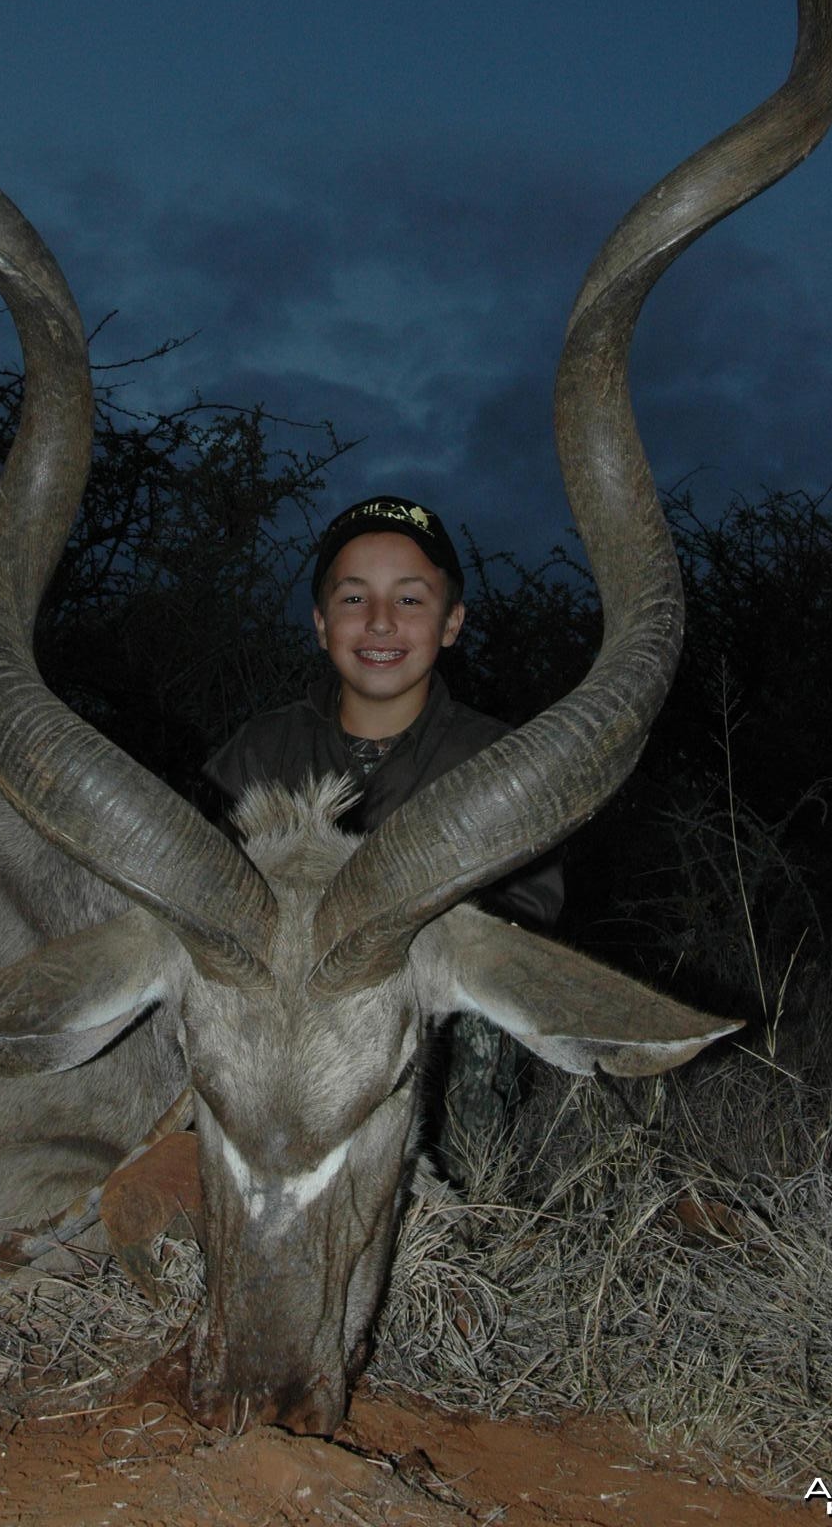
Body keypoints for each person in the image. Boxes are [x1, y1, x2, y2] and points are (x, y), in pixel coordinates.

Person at [204, 495, 565, 1178]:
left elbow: (530, 907)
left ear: (451, 623)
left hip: (414, 1008)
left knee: (483, 1010)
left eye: (408, 600)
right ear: (319, 623)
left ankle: (456, 1181)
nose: (378, 622)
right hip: (276, 1012)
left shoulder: (502, 761)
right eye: (351, 599)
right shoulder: (258, 749)